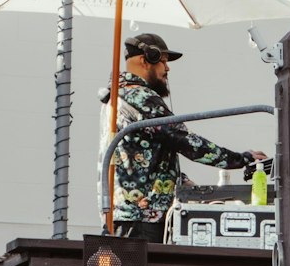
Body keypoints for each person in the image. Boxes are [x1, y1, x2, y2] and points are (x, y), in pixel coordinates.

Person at [106, 33, 268, 243]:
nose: (168, 68)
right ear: (146, 59)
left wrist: (179, 180)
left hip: (129, 216)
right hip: (141, 218)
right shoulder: (140, 98)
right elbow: (185, 141)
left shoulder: (117, 96)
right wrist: (241, 158)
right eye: (163, 61)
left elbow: (139, 155)